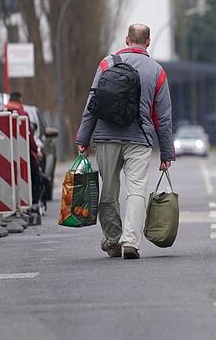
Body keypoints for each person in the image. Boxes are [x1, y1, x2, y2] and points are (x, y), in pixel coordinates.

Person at [76, 24, 175, 260]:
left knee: (109, 190)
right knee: (136, 190)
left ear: (127, 39)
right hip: (139, 139)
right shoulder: (157, 71)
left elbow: (93, 102)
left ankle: (112, 240)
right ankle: (131, 241)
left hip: (105, 135)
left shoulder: (106, 63)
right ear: (148, 42)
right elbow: (163, 116)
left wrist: (83, 137)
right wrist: (166, 153)